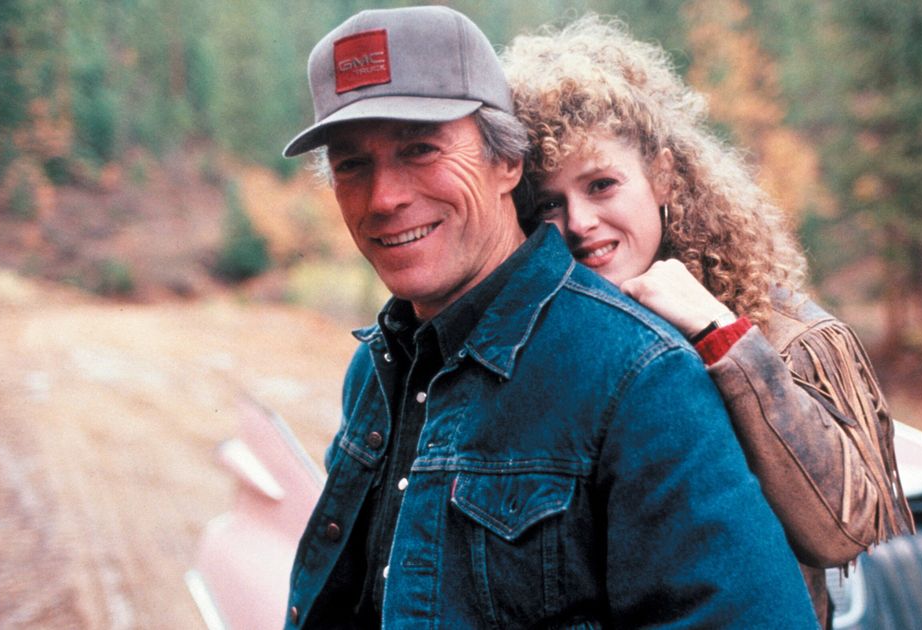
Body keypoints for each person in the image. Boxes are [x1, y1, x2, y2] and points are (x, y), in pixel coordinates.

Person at [280, 6, 817, 628]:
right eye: (352, 164)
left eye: (420, 149)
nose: (383, 198)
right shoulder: (375, 367)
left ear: (507, 162)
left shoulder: (637, 376)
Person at [502, 15, 916, 625]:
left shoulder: (778, 328)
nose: (580, 222)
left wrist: (725, 340)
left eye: (602, 185)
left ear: (663, 177)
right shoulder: (522, 338)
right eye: (550, 204)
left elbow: (844, 530)